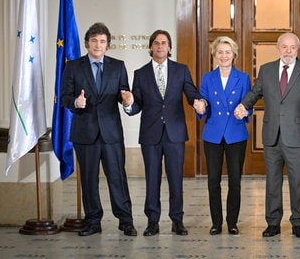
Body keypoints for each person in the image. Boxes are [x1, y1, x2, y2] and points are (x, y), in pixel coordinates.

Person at [234, 32, 300, 238]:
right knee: (273, 181)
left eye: (292, 47)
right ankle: (273, 223)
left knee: (298, 182)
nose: (288, 51)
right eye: (284, 47)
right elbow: (254, 93)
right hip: (272, 136)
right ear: (278, 48)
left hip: (297, 136)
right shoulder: (266, 70)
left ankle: (298, 223)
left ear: (297, 49)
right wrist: (242, 105)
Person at [124, 29, 205, 236]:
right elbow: (137, 105)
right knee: (152, 178)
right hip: (150, 134)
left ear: (169, 47)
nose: (160, 46)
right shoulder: (140, 74)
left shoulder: (181, 70)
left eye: (164, 43)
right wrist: (128, 104)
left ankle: (177, 220)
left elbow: (191, 93)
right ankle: (153, 221)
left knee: (176, 178)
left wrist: (198, 102)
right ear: (151, 47)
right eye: (157, 43)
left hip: (174, 133)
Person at [60, 22, 137, 237]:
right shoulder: (73, 67)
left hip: (111, 133)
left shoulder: (118, 66)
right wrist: (76, 102)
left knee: (117, 177)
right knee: (89, 179)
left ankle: (126, 220)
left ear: (108, 45)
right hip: (85, 133)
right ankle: (93, 221)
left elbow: (125, 96)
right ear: (87, 43)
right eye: (94, 41)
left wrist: (128, 100)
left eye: (102, 41)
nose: (98, 45)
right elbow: (64, 97)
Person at [195, 36, 252, 236]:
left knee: (235, 180)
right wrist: (200, 106)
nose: (224, 55)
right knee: (213, 180)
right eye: (220, 52)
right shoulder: (207, 78)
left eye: (228, 52)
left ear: (234, 55)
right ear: (215, 55)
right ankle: (216, 223)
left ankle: (232, 222)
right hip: (213, 134)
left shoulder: (243, 77)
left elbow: (249, 103)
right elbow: (203, 103)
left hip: (236, 134)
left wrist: (245, 111)